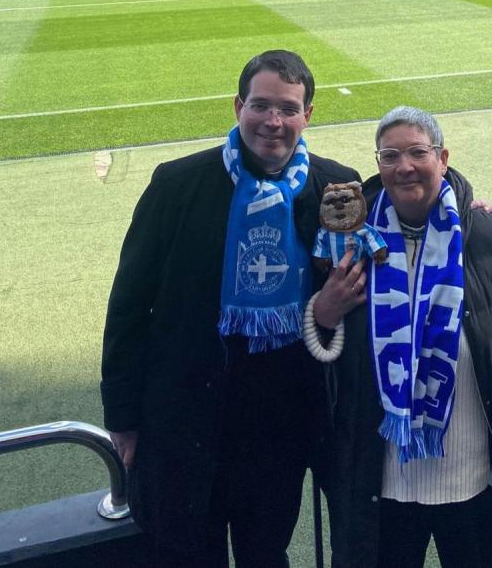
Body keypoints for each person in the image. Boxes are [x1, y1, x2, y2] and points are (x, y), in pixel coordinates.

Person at [100, 50, 360, 568]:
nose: (273, 122)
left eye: (288, 109)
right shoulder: (177, 185)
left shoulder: (334, 187)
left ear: (308, 114)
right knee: (187, 554)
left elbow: (407, 199)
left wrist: (466, 200)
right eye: (261, 105)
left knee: (266, 552)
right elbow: (129, 306)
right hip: (186, 418)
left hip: (279, 425)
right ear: (238, 105)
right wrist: (123, 419)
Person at [307, 106, 492, 568]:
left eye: (417, 152)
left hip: (477, 479)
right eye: (390, 155)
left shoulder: (490, 237)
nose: (404, 166)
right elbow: (320, 349)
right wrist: (322, 314)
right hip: (382, 480)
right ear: (377, 164)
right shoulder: (351, 242)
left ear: (443, 158)